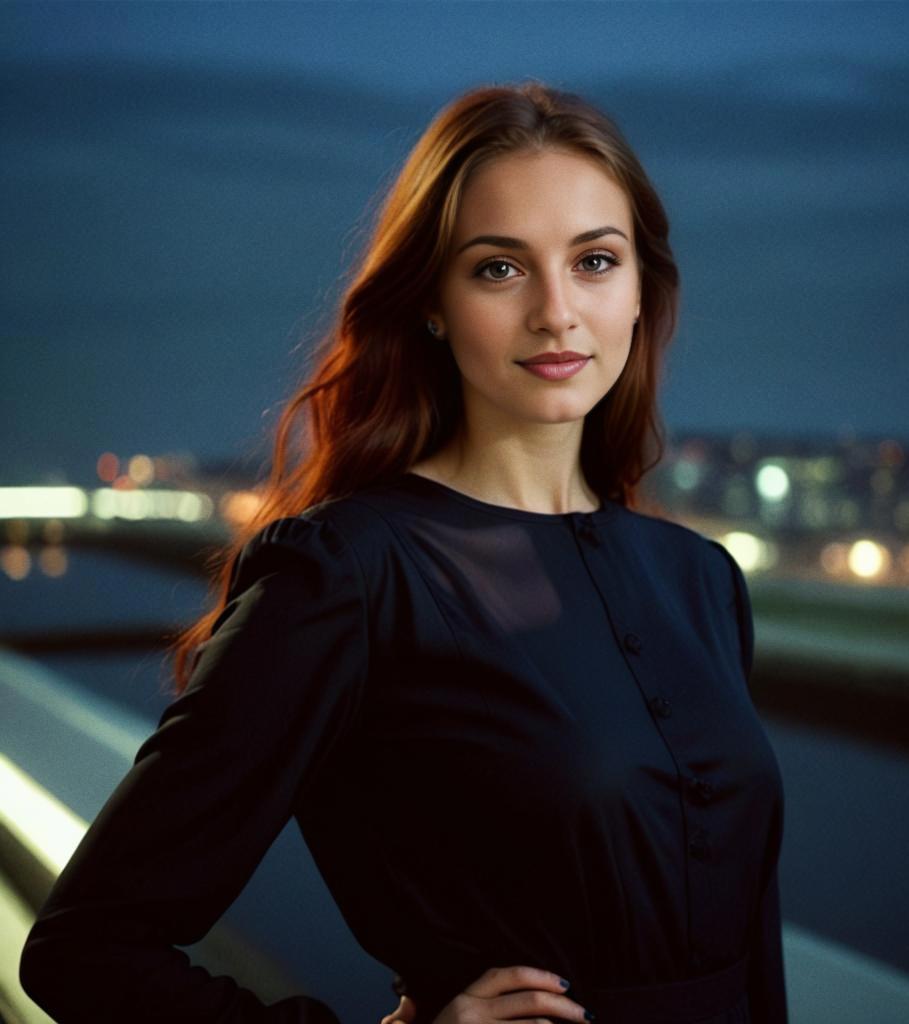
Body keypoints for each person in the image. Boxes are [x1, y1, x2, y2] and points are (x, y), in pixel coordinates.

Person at [20, 80, 787, 1024]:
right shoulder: (347, 573)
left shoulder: (700, 581)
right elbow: (85, 951)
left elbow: (752, 950)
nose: (557, 312)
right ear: (430, 302)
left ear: (641, 291)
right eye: (499, 270)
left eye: (594, 260)